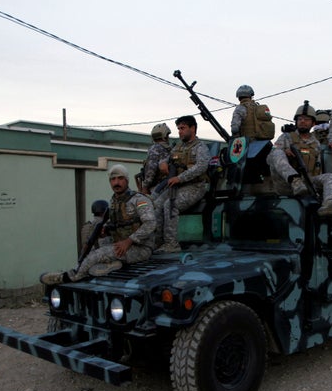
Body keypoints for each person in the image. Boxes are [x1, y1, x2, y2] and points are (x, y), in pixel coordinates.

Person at [40, 165, 156, 284]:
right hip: (122, 245)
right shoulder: (114, 201)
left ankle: (70, 276)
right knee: (93, 251)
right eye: (113, 179)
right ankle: (113, 264)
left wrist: (129, 241)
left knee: (97, 255)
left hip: (141, 248)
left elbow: (150, 223)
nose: (116, 182)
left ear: (127, 180)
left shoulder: (139, 200)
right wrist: (106, 231)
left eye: (120, 178)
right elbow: (119, 225)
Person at [267, 101, 332, 216]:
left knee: (330, 177)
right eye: (300, 119)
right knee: (276, 152)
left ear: (313, 123)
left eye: (306, 119)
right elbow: (269, 159)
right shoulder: (286, 138)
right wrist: (284, 151)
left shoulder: (316, 143)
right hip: (287, 185)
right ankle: (295, 180)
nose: (302, 121)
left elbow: (318, 168)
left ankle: (328, 204)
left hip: (307, 182)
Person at [153, 115, 210, 253]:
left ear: (193, 128)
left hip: (195, 187)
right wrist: (163, 163)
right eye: (178, 129)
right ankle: (157, 242)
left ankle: (172, 244)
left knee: (170, 205)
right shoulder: (178, 147)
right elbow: (165, 159)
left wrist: (180, 178)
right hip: (178, 186)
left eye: (183, 128)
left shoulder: (200, 147)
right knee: (157, 204)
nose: (180, 132)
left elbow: (201, 167)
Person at [137, 123, 172, 195]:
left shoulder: (155, 148)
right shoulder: (166, 149)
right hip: (163, 186)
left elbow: (151, 168)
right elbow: (152, 168)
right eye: (168, 135)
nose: (168, 137)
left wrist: (145, 186)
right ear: (164, 136)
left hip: (158, 187)